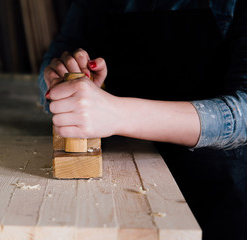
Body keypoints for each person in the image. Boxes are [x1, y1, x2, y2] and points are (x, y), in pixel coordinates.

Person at [38, 1, 247, 239]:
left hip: (217, 189)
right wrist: (62, 78)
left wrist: (117, 113)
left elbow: (244, 112)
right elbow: (58, 54)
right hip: (121, 180)